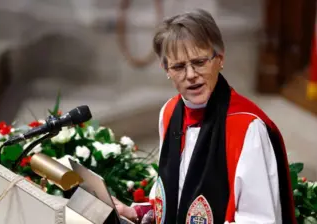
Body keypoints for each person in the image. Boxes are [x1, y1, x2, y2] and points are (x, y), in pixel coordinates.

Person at [113, 9, 296, 224]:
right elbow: (175, 194)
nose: (191, 75)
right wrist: (138, 213)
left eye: (199, 62)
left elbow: (258, 219)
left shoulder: (246, 127)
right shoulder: (170, 113)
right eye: (179, 66)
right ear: (166, 70)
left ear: (219, 58)